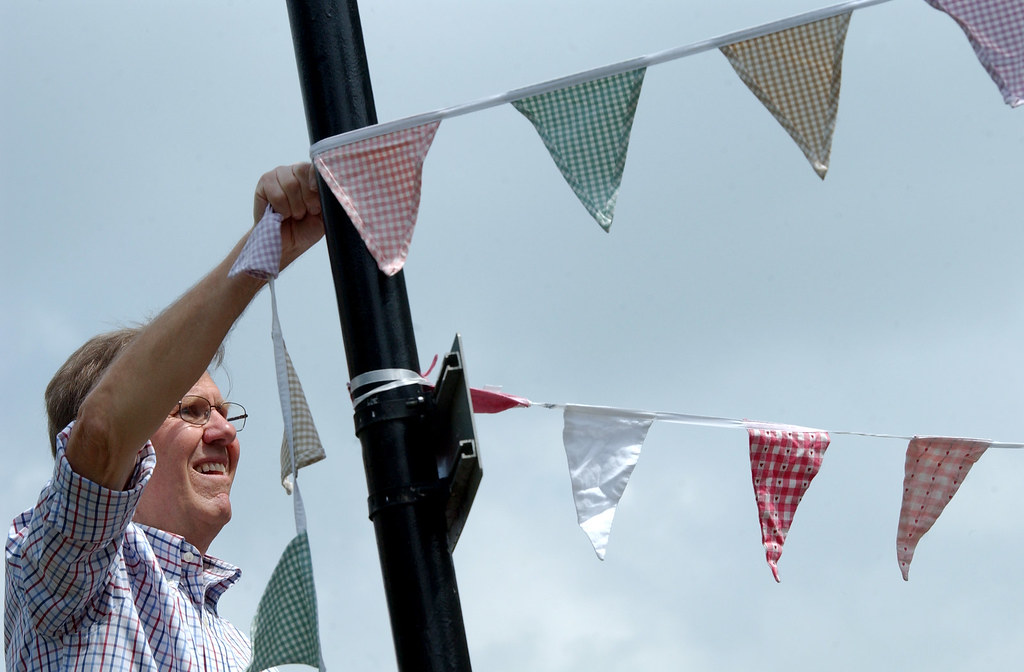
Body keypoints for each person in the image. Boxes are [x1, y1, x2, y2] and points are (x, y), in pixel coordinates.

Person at [4, 163, 325, 671]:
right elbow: (103, 430)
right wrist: (262, 252)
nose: (223, 433)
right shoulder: (59, 574)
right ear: (135, 443)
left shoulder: (241, 650)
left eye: (223, 412)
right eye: (193, 412)